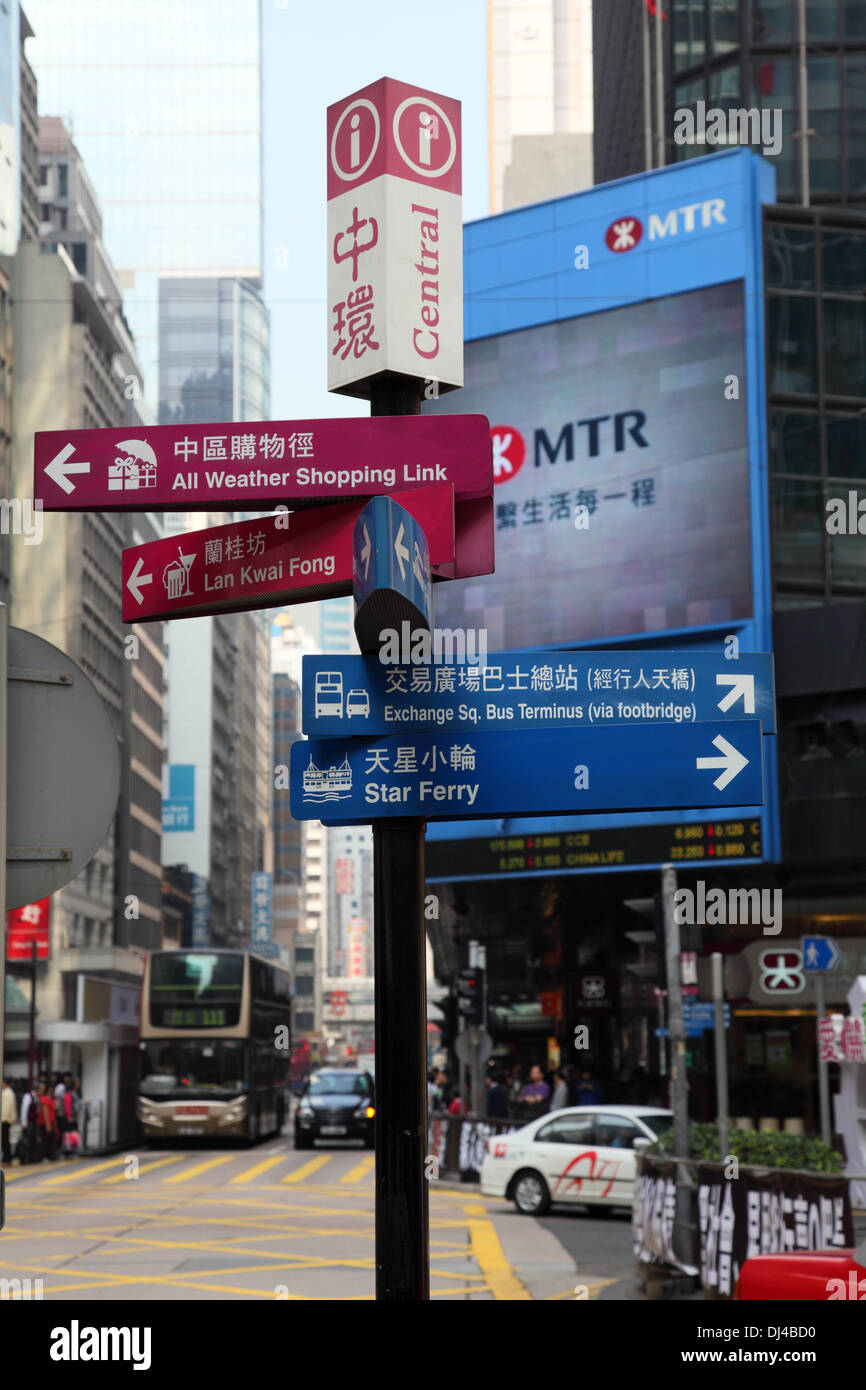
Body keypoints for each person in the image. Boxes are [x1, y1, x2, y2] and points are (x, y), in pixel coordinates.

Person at [1, 1079, 17, 1165]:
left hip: (5, 1120)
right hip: (7, 1119)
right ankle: (7, 1157)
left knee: (4, 1140)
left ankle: (7, 1158)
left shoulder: (7, 1094)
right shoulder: (9, 1092)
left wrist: (3, 1118)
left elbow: (6, 1108)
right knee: (5, 1140)